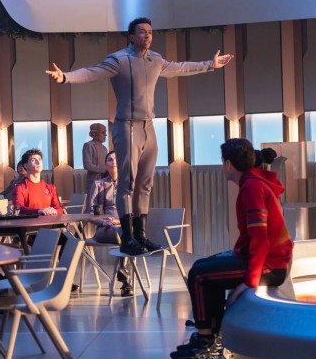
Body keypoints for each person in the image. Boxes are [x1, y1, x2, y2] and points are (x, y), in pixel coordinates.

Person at [46, 17, 234, 256]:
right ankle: (127, 238)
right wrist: (66, 76)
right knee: (127, 182)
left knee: (145, 183)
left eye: (150, 32)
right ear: (132, 36)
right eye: (142, 32)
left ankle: (140, 235)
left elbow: (180, 67)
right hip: (127, 126)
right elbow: (92, 72)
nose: (147, 36)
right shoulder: (119, 60)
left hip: (148, 127)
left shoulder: (156, 60)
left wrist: (210, 64)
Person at [169, 139, 292, 359]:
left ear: (228, 164)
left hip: (271, 266)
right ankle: (212, 333)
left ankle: (207, 341)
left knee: (199, 275)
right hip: (270, 260)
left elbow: (261, 239)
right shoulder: (253, 183)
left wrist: (249, 282)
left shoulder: (252, 187)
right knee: (202, 266)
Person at [88, 151, 133, 296]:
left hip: (123, 226)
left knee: (126, 234)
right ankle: (125, 278)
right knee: (128, 236)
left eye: (116, 159)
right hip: (104, 229)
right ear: (105, 165)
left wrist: (119, 221)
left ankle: (124, 275)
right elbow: (90, 213)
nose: (113, 162)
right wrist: (103, 222)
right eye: (110, 160)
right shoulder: (98, 184)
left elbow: (135, 212)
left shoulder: (128, 185)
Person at [12, 149, 64, 215]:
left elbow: (59, 209)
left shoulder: (51, 188)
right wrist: (38, 211)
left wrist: (55, 211)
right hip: (30, 221)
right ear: (26, 165)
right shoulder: (20, 188)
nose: (38, 162)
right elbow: (18, 208)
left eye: (39, 159)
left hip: (49, 221)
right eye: (33, 160)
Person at [83, 123, 109, 205]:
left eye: (105, 132)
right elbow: (87, 165)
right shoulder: (88, 145)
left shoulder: (105, 149)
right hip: (93, 182)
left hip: (104, 181)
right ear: (94, 133)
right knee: (92, 205)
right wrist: (104, 169)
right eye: (103, 132)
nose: (105, 135)